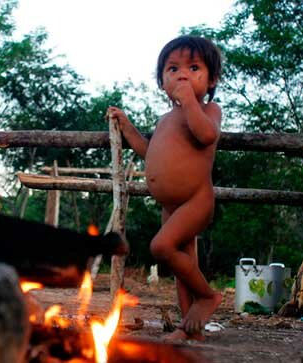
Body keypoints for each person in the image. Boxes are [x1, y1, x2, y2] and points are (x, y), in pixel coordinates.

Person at [106, 35, 222, 341]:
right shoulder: (164, 120)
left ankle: (209, 297)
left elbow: (206, 135)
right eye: (172, 70)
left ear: (211, 81)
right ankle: (189, 330)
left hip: (196, 200)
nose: (182, 74)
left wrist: (189, 101)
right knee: (182, 271)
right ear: (161, 83)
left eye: (194, 68)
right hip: (170, 206)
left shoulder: (209, 111)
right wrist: (127, 126)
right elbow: (150, 152)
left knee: (161, 247)